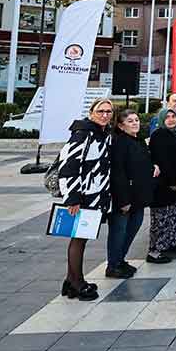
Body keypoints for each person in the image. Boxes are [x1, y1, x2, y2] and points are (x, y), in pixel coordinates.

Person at [57, 98, 114, 300]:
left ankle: (71, 280)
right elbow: (68, 166)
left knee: (83, 236)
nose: (105, 114)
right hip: (82, 196)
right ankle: (77, 282)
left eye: (108, 111)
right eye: (101, 111)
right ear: (91, 113)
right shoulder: (83, 134)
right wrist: (72, 198)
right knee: (79, 238)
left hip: (96, 195)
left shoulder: (103, 134)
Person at [106, 109, 156, 278]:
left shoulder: (139, 141)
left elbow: (142, 163)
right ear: (121, 125)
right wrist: (123, 200)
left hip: (139, 196)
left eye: (136, 120)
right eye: (130, 121)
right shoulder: (119, 143)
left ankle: (120, 260)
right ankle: (113, 265)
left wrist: (153, 167)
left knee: (133, 228)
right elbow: (118, 172)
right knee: (119, 231)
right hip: (125, 197)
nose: (135, 123)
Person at [147, 109, 176, 264]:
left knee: (175, 215)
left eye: (174, 117)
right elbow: (162, 160)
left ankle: (170, 243)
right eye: (168, 117)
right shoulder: (158, 135)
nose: (171, 120)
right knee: (161, 218)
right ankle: (155, 250)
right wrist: (172, 181)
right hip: (164, 185)